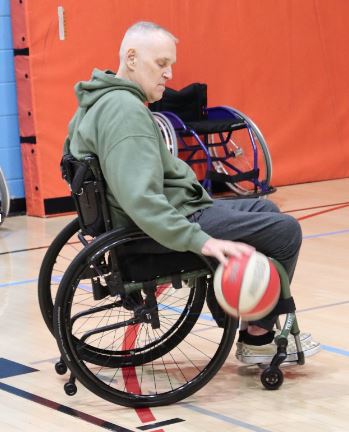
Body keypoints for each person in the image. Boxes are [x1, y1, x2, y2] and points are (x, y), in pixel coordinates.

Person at [64, 21, 320, 364]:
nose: (169, 74)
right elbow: (142, 201)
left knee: (266, 210)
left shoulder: (94, 102)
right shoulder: (125, 112)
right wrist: (201, 241)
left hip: (166, 212)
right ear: (132, 57)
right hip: (162, 225)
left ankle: (249, 324)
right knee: (286, 232)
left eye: (171, 64)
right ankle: (258, 339)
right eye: (161, 63)